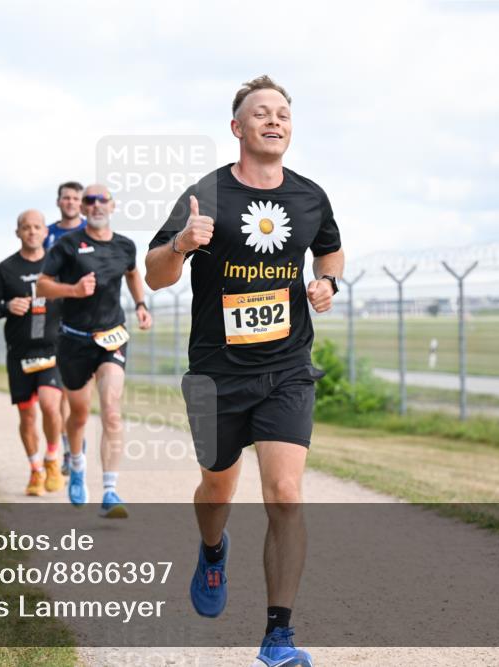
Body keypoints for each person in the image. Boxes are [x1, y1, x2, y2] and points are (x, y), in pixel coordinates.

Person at [144, 75, 344, 667]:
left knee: (285, 493)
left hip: (286, 367)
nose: (274, 120)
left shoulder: (310, 196)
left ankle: (278, 637)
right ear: (238, 128)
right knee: (217, 485)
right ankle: (212, 551)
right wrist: (180, 243)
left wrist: (328, 280)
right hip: (214, 371)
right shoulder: (204, 193)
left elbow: (330, 247)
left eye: (283, 112)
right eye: (261, 113)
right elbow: (155, 275)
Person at [37, 183, 153, 517]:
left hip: (112, 336)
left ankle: (111, 490)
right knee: (78, 415)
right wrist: (72, 289)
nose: (96, 205)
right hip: (73, 339)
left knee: (112, 409)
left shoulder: (124, 246)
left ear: (112, 206)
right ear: (84, 209)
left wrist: (141, 304)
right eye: (90, 200)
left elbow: (133, 273)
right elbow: (43, 285)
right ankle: (75, 464)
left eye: (103, 200)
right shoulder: (67, 245)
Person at [0, 210, 66, 496]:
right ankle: (35, 470)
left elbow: (78, 298)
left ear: (46, 231)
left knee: (49, 403)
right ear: (18, 232)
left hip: (53, 348)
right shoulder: (6, 269)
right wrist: (7, 306)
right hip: (20, 352)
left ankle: (53, 458)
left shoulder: (59, 264)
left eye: (37, 227)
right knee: (27, 416)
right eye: (26, 227)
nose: (32, 232)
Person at [45, 180, 88, 474]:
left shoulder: (92, 231)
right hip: (56, 315)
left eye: (76, 198)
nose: (71, 202)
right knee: (61, 386)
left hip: (89, 316)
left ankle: (77, 437)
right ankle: (66, 445)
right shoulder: (48, 235)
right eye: (66, 198)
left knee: (84, 388)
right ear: (59, 202)